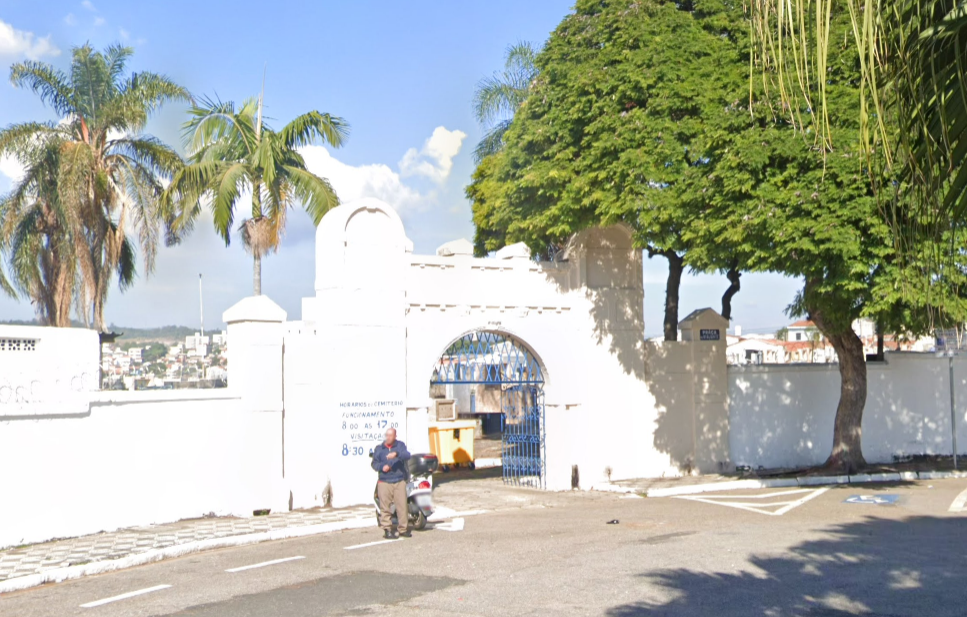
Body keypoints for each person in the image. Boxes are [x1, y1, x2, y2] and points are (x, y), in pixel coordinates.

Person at [371, 428, 411, 539]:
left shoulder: (400, 446)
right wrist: (382, 467)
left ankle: (403, 529)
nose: (388, 437)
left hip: (399, 480)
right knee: (385, 507)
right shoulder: (379, 449)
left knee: (402, 506)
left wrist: (396, 454)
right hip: (384, 481)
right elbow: (374, 463)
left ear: (395, 436)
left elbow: (407, 455)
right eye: (387, 435)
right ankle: (387, 529)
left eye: (390, 435)